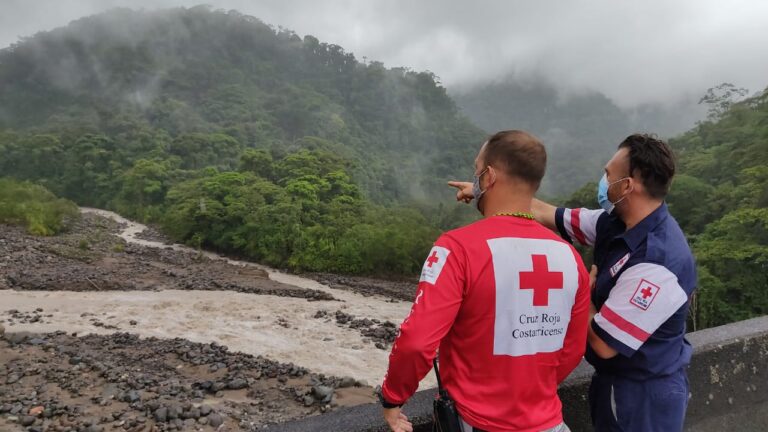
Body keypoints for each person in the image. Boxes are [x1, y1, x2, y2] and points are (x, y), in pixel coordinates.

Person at [451, 133, 696, 431]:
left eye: (608, 174)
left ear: (627, 185)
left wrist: (583, 290)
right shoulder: (615, 223)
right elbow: (545, 213)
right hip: (614, 382)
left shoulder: (658, 261)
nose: (603, 181)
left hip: (643, 395)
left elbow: (605, 344)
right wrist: (484, 190)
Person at [380, 130, 591, 432]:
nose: (475, 180)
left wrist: (392, 399)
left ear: (489, 177)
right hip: (550, 422)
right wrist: (529, 391)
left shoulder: (458, 247)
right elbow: (572, 349)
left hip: (478, 423)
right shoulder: (570, 257)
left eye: (476, 171)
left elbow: (417, 341)